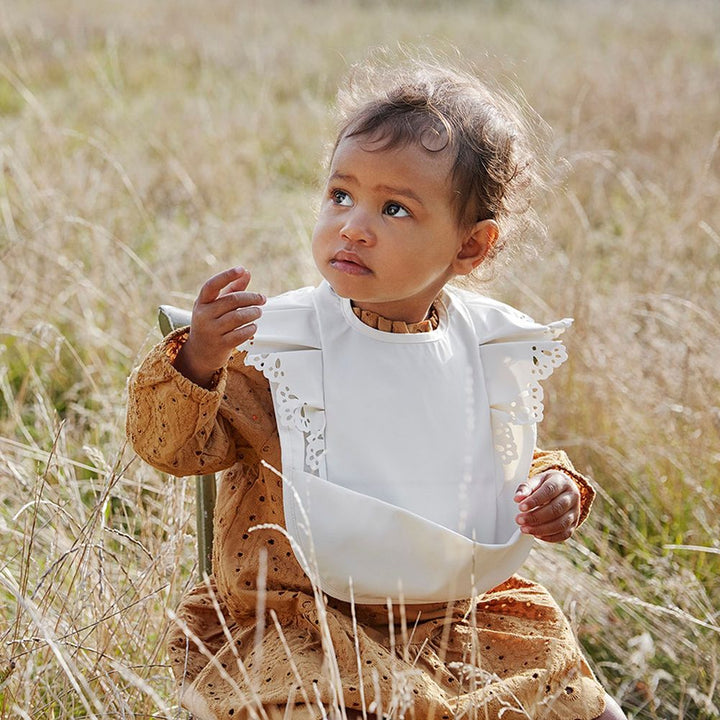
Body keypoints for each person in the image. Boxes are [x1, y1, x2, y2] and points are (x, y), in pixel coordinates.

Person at [127, 58, 626, 720]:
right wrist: (198, 360)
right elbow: (172, 448)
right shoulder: (285, 346)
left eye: (393, 208)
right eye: (340, 196)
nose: (353, 225)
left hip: (451, 620)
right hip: (299, 621)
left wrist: (553, 487)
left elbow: (491, 463)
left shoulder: (479, 346)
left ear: (471, 248)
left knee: (573, 698)